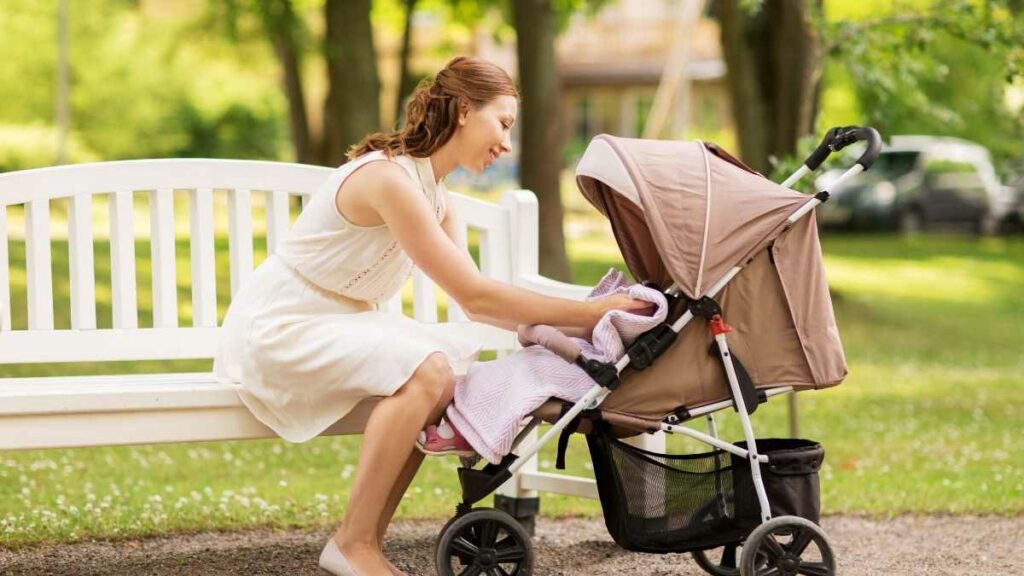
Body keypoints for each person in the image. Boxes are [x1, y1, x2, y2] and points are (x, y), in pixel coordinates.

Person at [213, 55, 652, 576]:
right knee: (429, 367)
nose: (506, 143)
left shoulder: (438, 199)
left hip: (340, 322)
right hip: (283, 326)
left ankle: (362, 543)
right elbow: (477, 298)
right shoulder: (388, 179)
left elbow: (478, 300)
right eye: (503, 123)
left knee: (440, 374)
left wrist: (595, 323)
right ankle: (354, 544)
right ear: (464, 110)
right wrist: (590, 310)